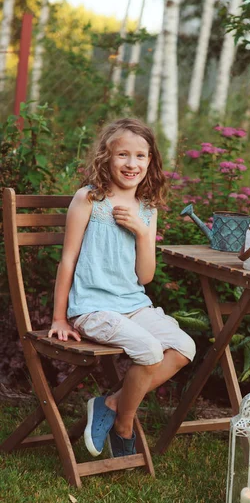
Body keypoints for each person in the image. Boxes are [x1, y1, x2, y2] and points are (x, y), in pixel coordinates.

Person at [48, 118, 196, 459]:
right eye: (123, 155)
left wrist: (144, 234)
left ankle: (112, 404)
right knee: (148, 349)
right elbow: (67, 260)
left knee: (183, 346)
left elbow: (145, 277)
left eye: (141, 156)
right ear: (106, 157)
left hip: (133, 304)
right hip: (92, 308)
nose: (132, 164)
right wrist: (60, 318)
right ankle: (125, 426)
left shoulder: (147, 208)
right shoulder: (90, 199)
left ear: (151, 161)